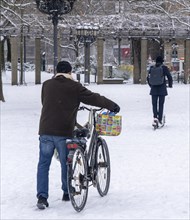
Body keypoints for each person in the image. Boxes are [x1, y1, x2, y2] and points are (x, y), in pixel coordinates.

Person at [36, 60, 120, 209]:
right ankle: (67, 192)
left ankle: (42, 197)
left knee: (43, 164)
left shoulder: (47, 85)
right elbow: (94, 98)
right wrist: (112, 105)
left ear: (56, 71)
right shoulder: (74, 87)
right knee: (65, 163)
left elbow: (45, 102)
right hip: (63, 130)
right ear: (70, 72)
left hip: (45, 130)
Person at [147, 56, 173, 127]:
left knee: (154, 104)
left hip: (153, 89)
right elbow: (169, 77)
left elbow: (148, 77)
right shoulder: (164, 68)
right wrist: (170, 85)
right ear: (162, 61)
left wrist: (151, 85)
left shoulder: (152, 68)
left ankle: (155, 117)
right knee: (161, 104)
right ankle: (160, 119)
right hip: (162, 88)